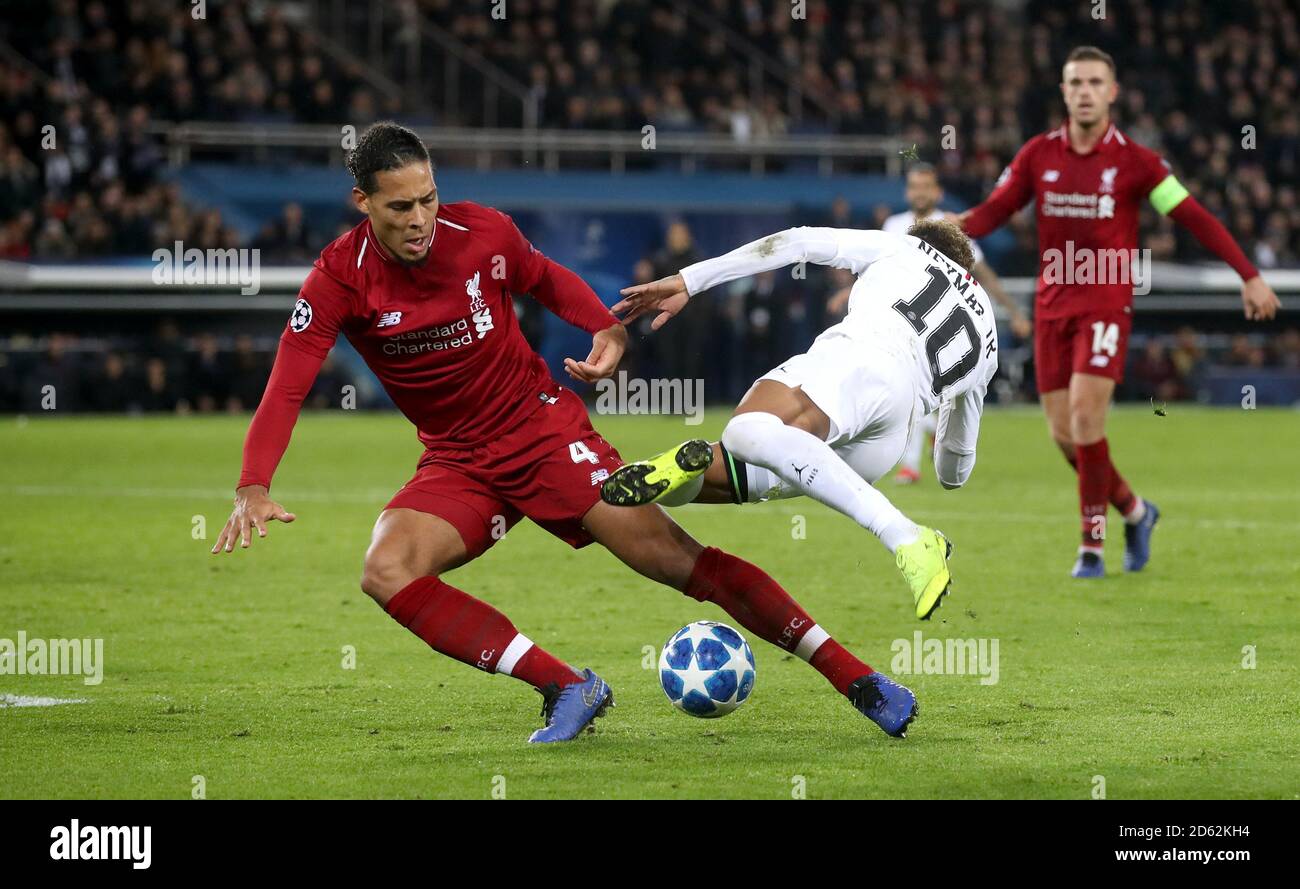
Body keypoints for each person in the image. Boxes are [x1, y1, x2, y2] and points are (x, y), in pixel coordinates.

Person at [211, 122, 920, 741]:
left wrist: (606, 327)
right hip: (458, 460)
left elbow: (545, 277)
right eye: (401, 206)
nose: (422, 217)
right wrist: (253, 483)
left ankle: (856, 677)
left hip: (542, 430)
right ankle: (568, 686)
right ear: (363, 204)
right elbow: (289, 380)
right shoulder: (339, 277)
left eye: (428, 197)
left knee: (675, 561)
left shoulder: (480, 232)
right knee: (386, 569)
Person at [954, 46, 1280, 578]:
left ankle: (1091, 547)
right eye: (1075, 82)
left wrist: (1248, 274)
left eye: (1094, 82)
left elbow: (1195, 216)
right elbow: (994, 211)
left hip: (1105, 301)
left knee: (1086, 418)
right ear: (1064, 92)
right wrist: (951, 227)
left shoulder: (1138, 162)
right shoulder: (1037, 155)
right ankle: (1135, 510)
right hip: (1052, 305)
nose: (1084, 91)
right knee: (1064, 435)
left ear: (1112, 92)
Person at [603, 219, 997, 622]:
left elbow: (798, 241)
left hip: (860, 364)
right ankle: (681, 469)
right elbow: (954, 468)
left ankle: (906, 535)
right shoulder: (988, 338)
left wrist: (691, 280)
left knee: (745, 431)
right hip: (892, 434)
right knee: (736, 477)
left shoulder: (904, 247)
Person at [874, 163, 1029, 485]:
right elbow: (876, 267)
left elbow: (981, 273)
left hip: (939, 324)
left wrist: (1013, 311)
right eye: (914, 186)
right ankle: (931, 436)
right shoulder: (894, 225)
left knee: (913, 390)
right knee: (908, 392)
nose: (919, 192)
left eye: (925, 186)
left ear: (937, 192)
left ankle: (912, 466)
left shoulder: (950, 227)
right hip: (897, 319)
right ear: (907, 191)